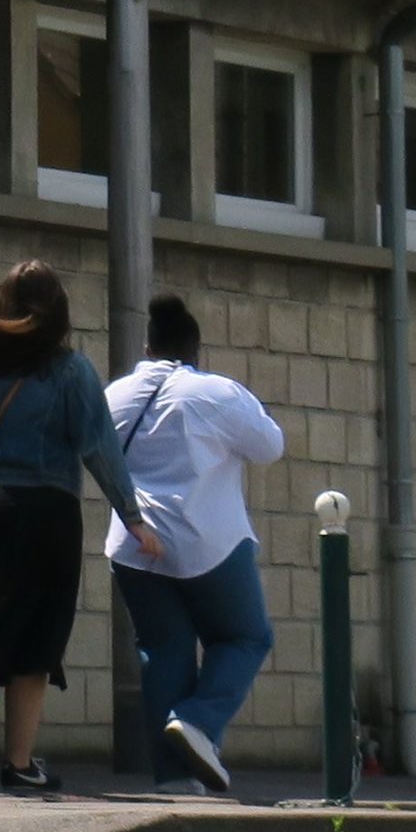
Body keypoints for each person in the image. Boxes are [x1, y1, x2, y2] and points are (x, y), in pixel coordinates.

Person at [0, 261, 158, 795]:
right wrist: (132, 517)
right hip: (48, 511)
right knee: (38, 638)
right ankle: (18, 762)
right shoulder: (71, 371)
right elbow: (99, 449)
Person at [108, 292, 286, 795]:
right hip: (208, 540)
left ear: (147, 345)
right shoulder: (216, 392)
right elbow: (270, 446)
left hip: (134, 544)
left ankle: (174, 779)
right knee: (245, 637)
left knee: (163, 650)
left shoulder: (115, 395)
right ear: (195, 349)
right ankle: (199, 721)